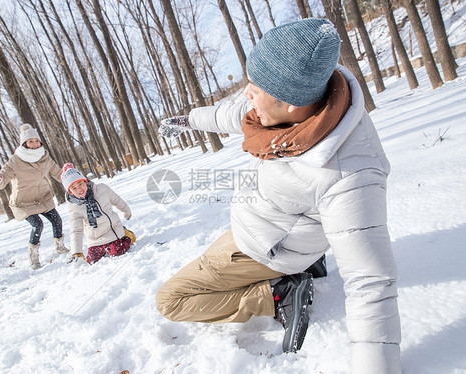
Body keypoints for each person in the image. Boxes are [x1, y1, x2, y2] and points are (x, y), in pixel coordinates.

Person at [156, 18, 401, 373]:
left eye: (254, 87)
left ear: (289, 102)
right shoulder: (305, 103)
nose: (246, 95)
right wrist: (189, 120)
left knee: (171, 300)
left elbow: (371, 282)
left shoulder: (351, 172)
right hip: (272, 227)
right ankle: (305, 260)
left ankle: (277, 296)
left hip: (262, 247)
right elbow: (235, 114)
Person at [0, 124, 69, 270]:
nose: (34, 144)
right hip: (23, 202)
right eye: (30, 141)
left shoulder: (44, 156)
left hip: (42, 197)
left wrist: (70, 177)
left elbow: (58, 173)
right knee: (37, 224)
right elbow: (2, 180)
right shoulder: (15, 160)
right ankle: (33, 256)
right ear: (24, 143)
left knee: (56, 220)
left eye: (36, 141)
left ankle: (60, 246)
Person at [61, 164, 133, 265]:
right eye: (74, 188)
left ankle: (127, 236)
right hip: (94, 240)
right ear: (70, 192)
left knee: (117, 251)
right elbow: (76, 229)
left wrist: (126, 211)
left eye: (80, 184)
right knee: (91, 261)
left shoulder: (101, 189)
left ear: (85, 181)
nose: (79, 189)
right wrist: (76, 252)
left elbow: (117, 200)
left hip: (111, 231)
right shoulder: (74, 206)